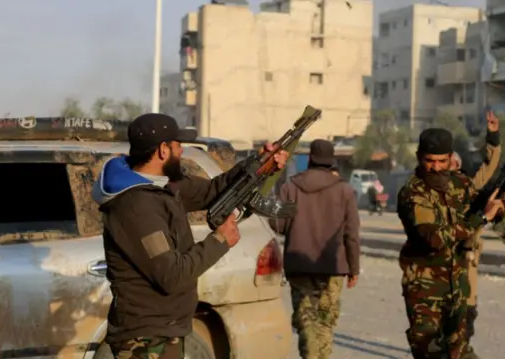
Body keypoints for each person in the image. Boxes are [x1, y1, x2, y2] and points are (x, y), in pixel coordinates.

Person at [91, 113, 288, 359]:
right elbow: (171, 275)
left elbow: (214, 190)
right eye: (178, 146)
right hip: (145, 340)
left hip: (162, 330)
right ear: (163, 150)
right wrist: (219, 240)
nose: (182, 151)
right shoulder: (136, 207)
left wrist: (259, 164)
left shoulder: (163, 185)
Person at [396, 128, 505, 359]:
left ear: (450, 159)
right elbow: (435, 238)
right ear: (419, 157)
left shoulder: (460, 183)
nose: (435, 167)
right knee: (430, 354)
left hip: (458, 286)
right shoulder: (413, 192)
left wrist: (497, 210)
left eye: (441, 161)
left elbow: (477, 210)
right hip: (425, 291)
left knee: (460, 352)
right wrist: (483, 218)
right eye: (430, 161)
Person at [269, 139, 360, 359]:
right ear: (332, 161)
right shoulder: (344, 191)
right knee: (325, 321)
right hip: (333, 267)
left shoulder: (290, 187)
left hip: (299, 265)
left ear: (309, 158)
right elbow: (352, 234)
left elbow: (277, 225)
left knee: (305, 319)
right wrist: (354, 268)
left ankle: (309, 355)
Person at [449, 112, 505, 359]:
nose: (449, 168)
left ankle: (460, 348)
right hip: (441, 258)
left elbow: (491, 169)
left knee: (469, 308)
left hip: (467, 255)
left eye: (454, 164)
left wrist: (496, 139)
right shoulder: (429, 191)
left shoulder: (469, 187)